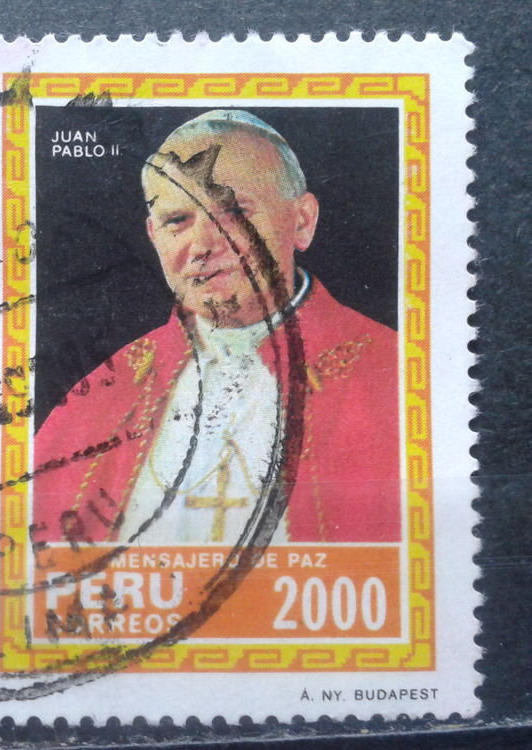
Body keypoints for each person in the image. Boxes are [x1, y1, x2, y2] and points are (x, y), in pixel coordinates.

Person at [32, 110, 400, 544]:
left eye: (233, 212)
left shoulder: (397, 374)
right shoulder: (100, 399)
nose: (202, 246)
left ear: (301, 221)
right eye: (177, 220)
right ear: (153, 235)